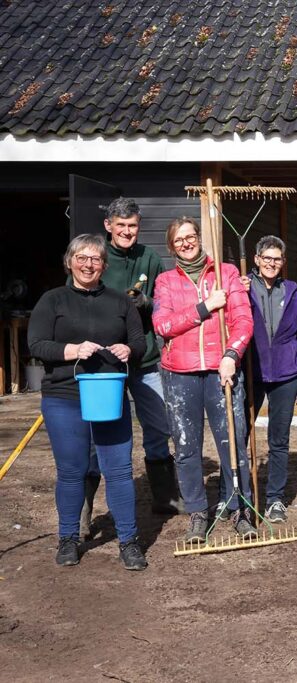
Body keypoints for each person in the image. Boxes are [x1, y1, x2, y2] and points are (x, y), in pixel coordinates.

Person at [28, 234, 148, 570]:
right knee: (71, 472)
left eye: (95, 259)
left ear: (104, 265)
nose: (88, 264)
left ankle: (129, 541)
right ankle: (68, 538)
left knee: (120, 471)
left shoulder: (121, 303)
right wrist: (72, 350)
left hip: (109, 394)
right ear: (69, 262)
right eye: (81, 257)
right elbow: (36, 344)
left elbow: (139, 342)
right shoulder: (53, 300)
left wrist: (129, 350)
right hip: (64, 396)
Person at [82, 198, 184, 529]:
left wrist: (147, 301)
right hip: (103, 363)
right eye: (121, 225)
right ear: (108, 225)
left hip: (146, 359)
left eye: (133, 226)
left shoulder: (149, 258)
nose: (128, 231)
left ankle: (165, 497)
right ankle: (84, 508)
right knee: (101, 433)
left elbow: (164, 305)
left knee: (159, 428)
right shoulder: (96, 257)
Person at [152, 217, 256, 542]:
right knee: (186, 448)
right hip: (179, 374)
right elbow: (163, 326)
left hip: (219, 370)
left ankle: (240, 509)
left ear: (199, 237)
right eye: (179, 239)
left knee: (233, 442)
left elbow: (243, 321)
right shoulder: (165, 282)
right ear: (172, 247)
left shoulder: (226, 274)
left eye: (191, 236)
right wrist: (204, 307)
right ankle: (198, 512)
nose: (186, 242)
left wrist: (231, 355)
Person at [244, 235, 297, 523]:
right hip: (251, 372)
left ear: (283, 263)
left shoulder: (292, 292)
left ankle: (274, 500)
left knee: (279, 440)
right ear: (257, 259)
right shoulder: (242, 287)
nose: (271, 263)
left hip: (286, 373)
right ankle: (234, 496)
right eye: (266, 258)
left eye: (277, 259)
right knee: (239, 435)